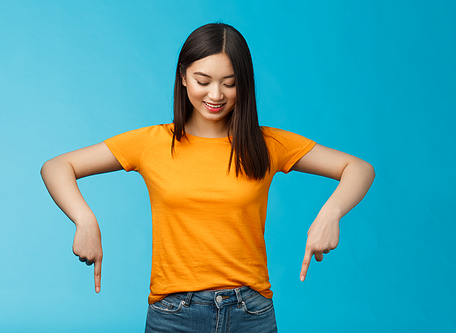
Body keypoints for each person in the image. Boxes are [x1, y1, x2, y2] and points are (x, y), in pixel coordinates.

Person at [41, 23, 375, 333]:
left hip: (252, 313)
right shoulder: (152, 143)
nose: (216, 95)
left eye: (229, 83)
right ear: (183, 76)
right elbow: (57, 167)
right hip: (174, 313)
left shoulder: (267, 144)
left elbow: (358, 169)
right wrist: (84, 219)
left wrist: (330, 213)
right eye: (203, 81)